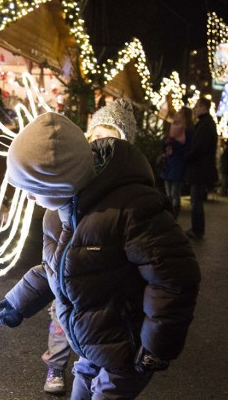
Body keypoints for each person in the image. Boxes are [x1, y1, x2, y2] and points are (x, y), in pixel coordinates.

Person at [0, 112, 200, 399]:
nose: (28, 198)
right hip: (92, 342)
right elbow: (53, 268)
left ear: (61, 183)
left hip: (129, 348)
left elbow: (174, 278)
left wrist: (156, 347)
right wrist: (18, 302)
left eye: (33, 190)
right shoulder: (56, 214)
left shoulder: (132, 209)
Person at [40, 98, 138, 395]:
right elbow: (51, 249)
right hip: (70, 287)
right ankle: (56, 365)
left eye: (111, 139)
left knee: (101, 368)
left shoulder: (132, 196)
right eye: (96, 137)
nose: (101, 146)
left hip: (108, 305)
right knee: (62, 325)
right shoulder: (75, 183)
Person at [184, 97, 218, 239]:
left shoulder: (205, 125)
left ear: (204, 107)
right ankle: (197, 228)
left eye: (197, 106)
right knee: (196, 199)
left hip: (199, 169)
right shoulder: (206, 124)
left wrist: (187, 157)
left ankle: (197, 229)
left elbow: (199, 148)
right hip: (201, 168)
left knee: (196, 200)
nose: (195, 109)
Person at [160, 107, 194, 216]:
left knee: (175, 193)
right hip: (169, 164)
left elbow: (186, 148)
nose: (177, 114)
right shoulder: (173, 126)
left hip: (178, 164)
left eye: (180, 113)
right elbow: (165, 142)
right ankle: (168, 213)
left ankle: (173, 215)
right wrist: (166, 143)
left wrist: (172, 143)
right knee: (168, 193)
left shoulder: (188, 130)